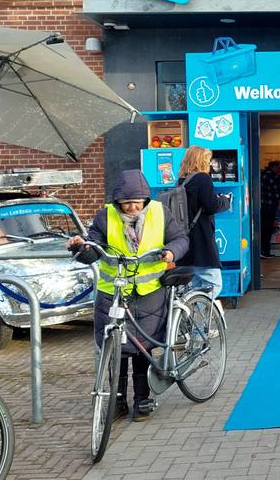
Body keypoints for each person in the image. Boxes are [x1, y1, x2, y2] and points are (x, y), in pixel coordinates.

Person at [66, 170, 188, 422]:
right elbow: (93, 251)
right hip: (113, 293)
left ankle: (142, 400)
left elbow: (180, 238)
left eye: (137, 202)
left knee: (142, 349)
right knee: (116, 349)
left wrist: (171, 252)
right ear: (117, 200)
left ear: (145, 198)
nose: (132, 207)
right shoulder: (105, 217)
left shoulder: (159, 212)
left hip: (149, 293)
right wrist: (80, 247)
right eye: (126, 202)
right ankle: (117, 400)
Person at [177, 145, 229, 291]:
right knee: (214, 285)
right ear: (201, 160)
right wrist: (225, 200)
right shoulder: (202, 179)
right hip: (201, 241)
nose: (210, 163)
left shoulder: (182, 181)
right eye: (208, 159)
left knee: (192, 286)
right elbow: (212, 205)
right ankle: (197, 309)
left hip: (185, 242)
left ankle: (190, 311)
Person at [259, 160, 280, 259]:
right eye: (279, 167)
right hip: (269, 207)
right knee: (267, 229)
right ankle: (265, 251)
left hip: (263, 206)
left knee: (264, 229)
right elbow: (277, 192)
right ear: (274, 166)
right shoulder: (272, 177)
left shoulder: (264, 175)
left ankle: (263, 251)